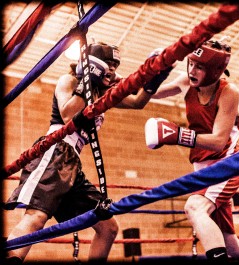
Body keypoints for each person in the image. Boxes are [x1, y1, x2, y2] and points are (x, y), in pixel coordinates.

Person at [4, 42, 170, 264]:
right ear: (91, 63)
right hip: (55, 151)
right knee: (36, 217)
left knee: (108, 228)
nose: (111, 69)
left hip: (72, 163)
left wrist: (157, 74)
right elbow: (67, 116)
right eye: (108, 64)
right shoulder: (69, 80)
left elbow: (138, 102)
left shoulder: (105, 93)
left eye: (115, 65)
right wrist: (88, 81)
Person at [145, 38, 239, 262]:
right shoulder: (186, 82)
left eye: (200, 66)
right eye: (191, 63)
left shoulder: (229, 92)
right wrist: (143, 76)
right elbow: (153, 92)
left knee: (195, 207)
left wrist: (178, 135)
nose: (192, 70)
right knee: (232, 245)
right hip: (203, 170)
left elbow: (219, 141)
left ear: (216, 70)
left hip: (226, 164)